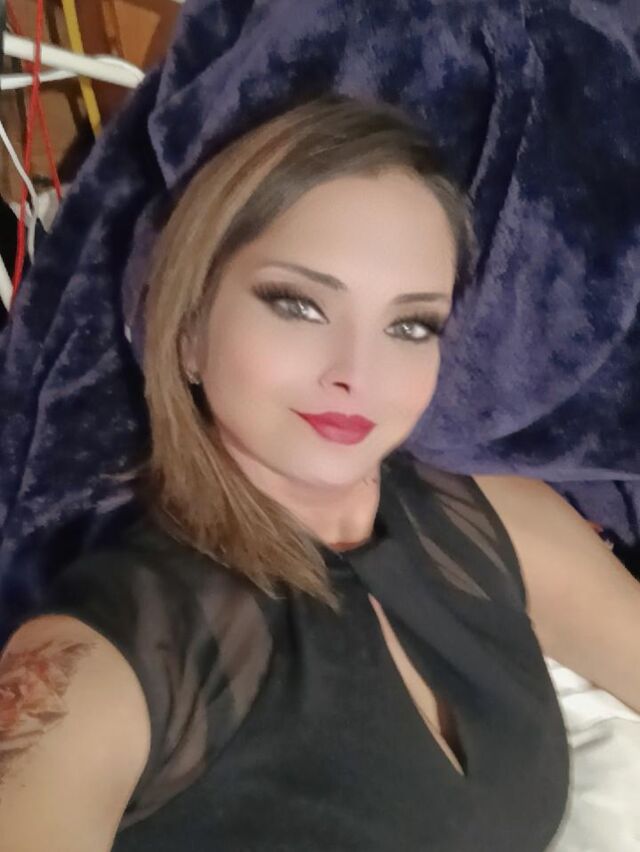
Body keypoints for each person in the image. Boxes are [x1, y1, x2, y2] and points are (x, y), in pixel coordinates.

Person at [0, 95, 638, 852]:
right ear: (190, 328)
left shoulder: (500, 520)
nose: (356, 373)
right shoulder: (100, 657)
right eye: (298, 305)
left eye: (410, 324)